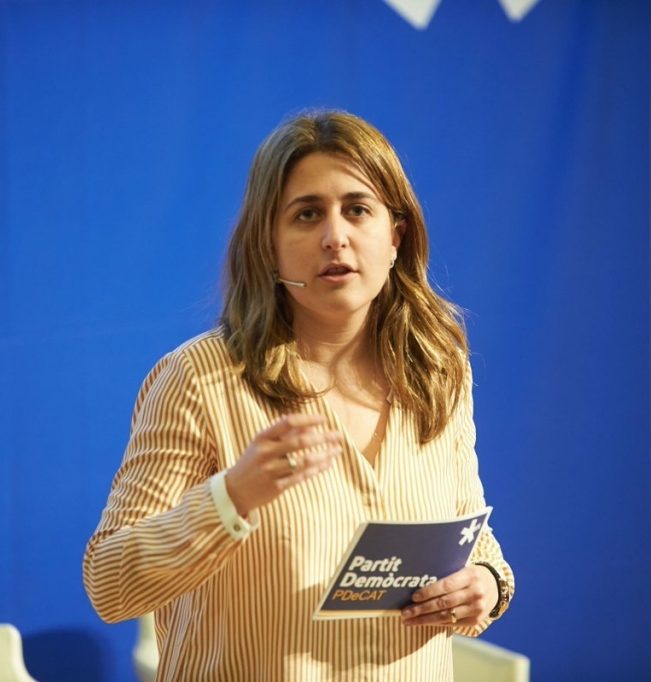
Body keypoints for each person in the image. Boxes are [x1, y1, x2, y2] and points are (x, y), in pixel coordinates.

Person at [83, 110, 514, 680]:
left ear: (396, 235)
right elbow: (111, 584)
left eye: (357, 209)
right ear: (269, 244)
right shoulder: (199, 379)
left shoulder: (436, 368)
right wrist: (232, 496)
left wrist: (487, 583)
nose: (335, 236)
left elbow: (469, 534)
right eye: (307, 214)